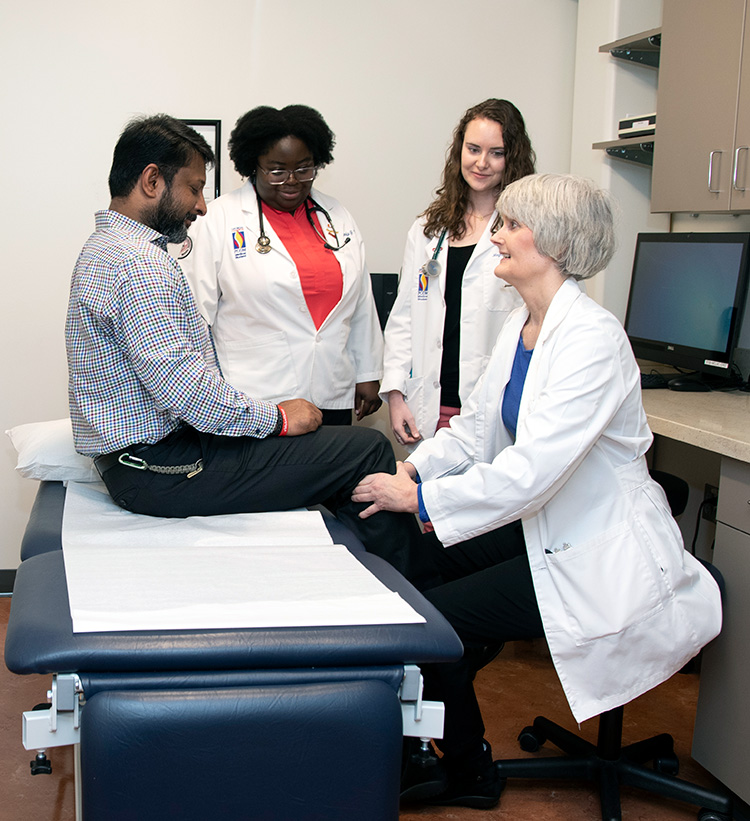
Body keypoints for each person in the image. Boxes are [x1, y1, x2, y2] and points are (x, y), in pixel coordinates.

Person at [353, 174, 723, 808]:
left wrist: (421, 500)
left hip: (594, 547)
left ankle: (468, 769)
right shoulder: (523, 327)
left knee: (436, 624)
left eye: (510, 225)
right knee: (407, 560)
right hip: (544, 523)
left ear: (555, 243)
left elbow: (532, 472)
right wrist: (415, 471)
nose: (494, 236)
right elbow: (475, 431)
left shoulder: (592, 340)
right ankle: (434, 725)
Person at [65, 114, 425, 582]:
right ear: (152, 181)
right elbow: (184, 389)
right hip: (161, 467)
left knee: (335, 456)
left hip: (148, 464)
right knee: (367, 450)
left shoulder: (106, 248)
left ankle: (355, 579)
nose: (201, 206)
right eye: (194, 189)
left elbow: (356, 303)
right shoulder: (140, 265)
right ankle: (415, 592)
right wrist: (277, 418)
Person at [182, 105, 382, 427]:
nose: (292, 181)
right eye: (276, 171)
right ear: (253, 166)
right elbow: (196, 316)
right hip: (256, 397)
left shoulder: (337, 215)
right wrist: (205, 392)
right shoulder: (218, 219)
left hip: (331, 386)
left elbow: (359, 300)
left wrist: (368, 371)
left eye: (304, 169)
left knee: (337, 460)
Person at [381, 99, 535, 448]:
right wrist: (396, 394)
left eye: (496, 153)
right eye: (473, 149)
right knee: (421, 482)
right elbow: (404, 318)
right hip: (428, 405)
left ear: (513, 158)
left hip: (494, 405)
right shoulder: (428, 230)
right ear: (459, 151)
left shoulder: (526, 231)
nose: (481, 163)